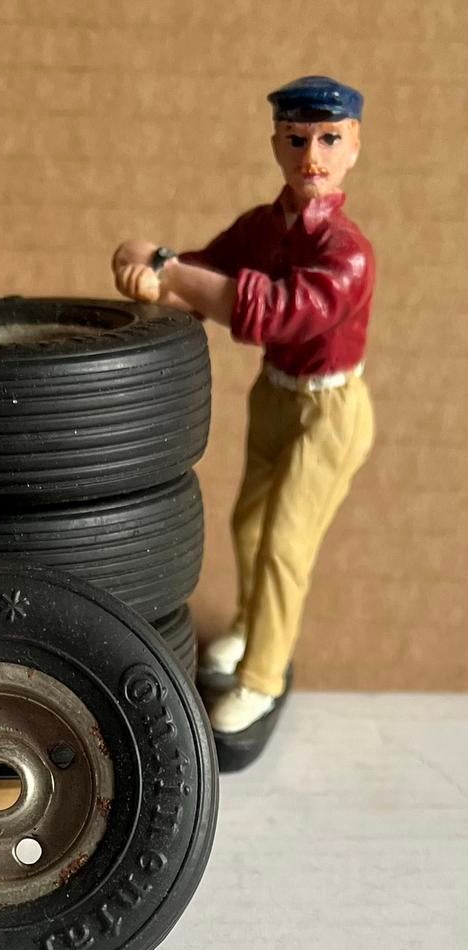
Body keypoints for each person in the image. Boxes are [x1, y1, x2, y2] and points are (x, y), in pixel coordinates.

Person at [112, 76, 375, 734]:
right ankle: (253, 626)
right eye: (297, 140)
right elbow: (209, 270)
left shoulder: (347, 253)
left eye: (329, 139)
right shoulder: (264, 226)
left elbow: (270, 312)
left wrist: (169, 268)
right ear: (277, 145)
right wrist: (151, 277)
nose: (312, 155)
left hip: (329, 412)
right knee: (251, 527)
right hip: (275, 394)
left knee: (286, 543)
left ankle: (263, 676)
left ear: (353, 147)